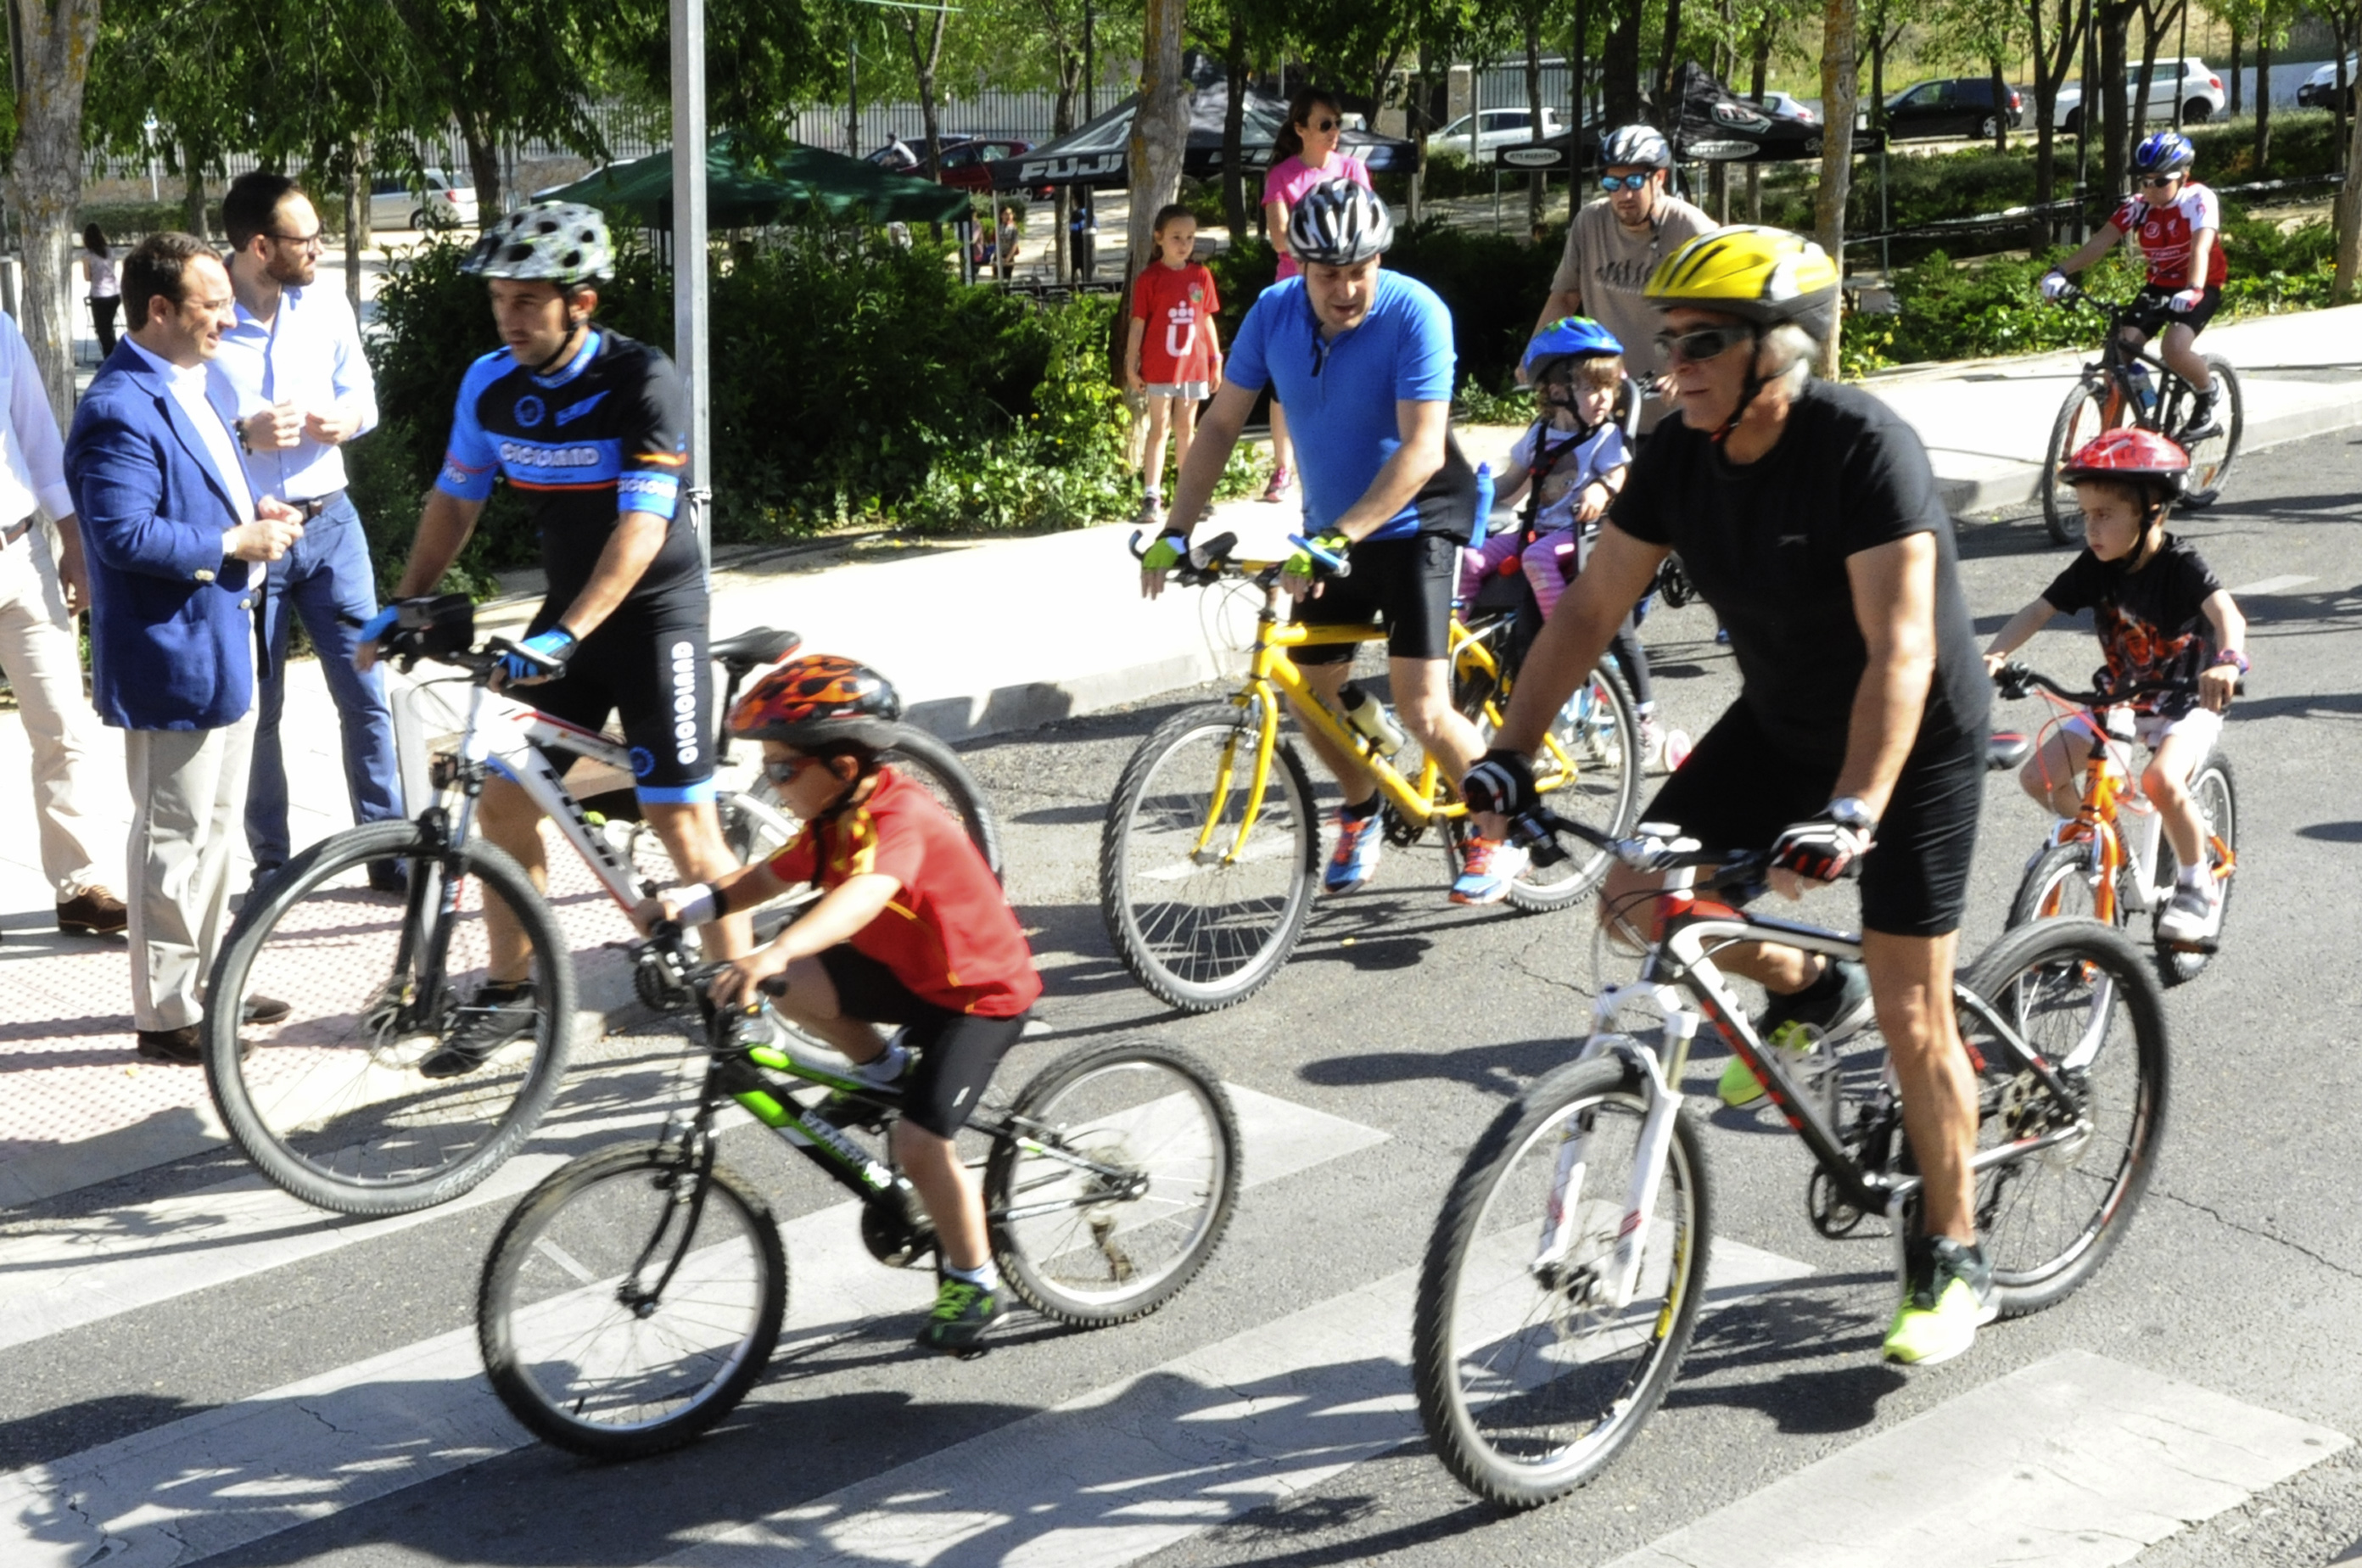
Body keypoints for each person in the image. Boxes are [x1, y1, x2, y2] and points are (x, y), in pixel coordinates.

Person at [1464, 226, 1998, 1366]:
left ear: (1780, 351)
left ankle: (1954, 1253)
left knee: (1913, 1011)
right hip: (1783, 721)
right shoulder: (1676, 456)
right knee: (1632, 895)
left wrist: (1853, 809)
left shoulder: (1862, 450)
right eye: (1669, 343)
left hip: (1909, 743)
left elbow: (1900, 655)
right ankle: (1806, 986)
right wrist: (1510, 750)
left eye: (1702, 343)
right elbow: (1587, 611)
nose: (1674, 365)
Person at [357, 202, 747, 1076]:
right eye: (501, 299)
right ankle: (515, 990)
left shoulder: (644, 381)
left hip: (653, 612)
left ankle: (741, 998)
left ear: (584, 303)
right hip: (566, 614)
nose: (510, 317)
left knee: (682, 821)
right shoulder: (489, 383)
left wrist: (567, 632)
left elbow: (643, 528)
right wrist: (405, 602)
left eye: (530, 300)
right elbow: (457, 499)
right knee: (498, 802)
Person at [635, 655, 1041, 1356]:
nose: (774, 784)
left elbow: (861, 897)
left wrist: (773, 951)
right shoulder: (831, 820)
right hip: (911, 976)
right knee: (789, 986)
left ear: (845, 768)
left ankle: (975, 1281)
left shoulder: (899, 817)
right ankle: (882, 1071)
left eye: (784, 770)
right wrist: (686, 904)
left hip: (979, 994)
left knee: (917, 1144)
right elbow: (764, 876)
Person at [1139, 181, 1505, 904]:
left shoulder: (1413, 312)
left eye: (1359, 269)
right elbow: (1216, 426)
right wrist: (1176, 529)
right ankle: (1363, 805)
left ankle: (1495, 828)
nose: (1345, 288)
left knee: (1424, 706)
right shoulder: (1274, 314)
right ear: (1299, 267)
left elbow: (1424, 449)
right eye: (1328, 273)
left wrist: (1336, 535)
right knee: (1309, 690)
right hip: (1331, 528)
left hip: (1418, 518)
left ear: (1379, 260)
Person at [64, 233, 305, 1063]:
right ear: (158, 309)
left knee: (211, 836)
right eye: (213, 304)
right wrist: (235, 540)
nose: (231, 317)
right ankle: (167, 1016)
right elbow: (122, 533)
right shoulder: (117, 407)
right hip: (173, 655)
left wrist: (257, 515)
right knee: (173, 838)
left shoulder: (189, 384)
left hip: (219, 643)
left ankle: (208, 986)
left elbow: (199, 494)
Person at [211, 171, 405, 893]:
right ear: (261, 246)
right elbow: (177, 422)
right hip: (253, 537)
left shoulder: (324, 302)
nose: (320, 249)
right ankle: (273, 870)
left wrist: (349, 419)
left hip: (333, 524)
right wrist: (243, 431)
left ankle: (388, 851)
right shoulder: (210, 309)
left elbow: (362, 391)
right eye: (306, 239)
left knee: (367, 692)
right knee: (262, 711)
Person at [1981, 428, 2245, 944]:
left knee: (2160, 784)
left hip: (2187, 698)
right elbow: (2039, 610)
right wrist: (1995, 654)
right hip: (2120, 699)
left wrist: (2229, 662)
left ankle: (2195, 885)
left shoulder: (2180, 565)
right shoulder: (2095, 567)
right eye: (2085, 514)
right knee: (2039, 777)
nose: (2091, 528)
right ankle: (2093, 850)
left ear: (2152, 512)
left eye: (2104, 515)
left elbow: (2226, 614)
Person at [1457, 316, 1665, 774]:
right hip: (1538, 535)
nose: (1605, 399)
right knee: (1471, 558)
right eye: (1593, 389)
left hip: (1580, 539)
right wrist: (1471, 495)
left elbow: (1620, 474)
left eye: (1610, 389)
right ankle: (1456, 634)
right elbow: (1512, 485)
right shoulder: (1540, 435)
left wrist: (1602, 491)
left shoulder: (1607, 437)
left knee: (1544, 569)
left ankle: (1575, 650)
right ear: (1555, 391)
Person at [0, 305, 130, 940]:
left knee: (63, 729)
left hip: (21, 552)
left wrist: (74, 543)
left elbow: (40, 442)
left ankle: (78, 888)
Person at [1529, 125, 1716, 438]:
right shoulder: (1589, 223)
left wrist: (1692, 364)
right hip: (1606, 405)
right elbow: (1565, 298)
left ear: (1660, 178)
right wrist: (1534, 355)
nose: (1623, 195)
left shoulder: (1691, 229)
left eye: (1633, 181)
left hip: (1678, 410)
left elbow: (1723, 314)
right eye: (1612, 182)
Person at [2041, 131, 2225, 439]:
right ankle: (2111, 440)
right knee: (2119, 355)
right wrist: (2059, 271)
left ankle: (2208, 392)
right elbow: (2100, 242)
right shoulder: (2138, 205)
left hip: (2200, 284)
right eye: (2144, 181)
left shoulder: (2199, 199)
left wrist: (2193, 288)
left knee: (2174, 349)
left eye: (2160, 181)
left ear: (2184, 176)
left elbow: (2200, 248)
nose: (2150, 188)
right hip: (2159, 286)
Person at [1260, 85, 1373, 506]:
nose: (1333, 132)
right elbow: (1278, 238)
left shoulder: (1353, 170)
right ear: (1300, 129)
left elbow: (1367, 229)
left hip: (1345, 289)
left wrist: (1330, 258)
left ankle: (1344, 458)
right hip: (1294, 290)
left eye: (1337, 124)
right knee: (1286, 383)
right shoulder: (1282, 176)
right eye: (1325, 124)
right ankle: (1283, 468)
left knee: (1348, 372)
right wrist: (1329, 251)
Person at [1125, 204, 1223, 529]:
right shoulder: (1149, 278)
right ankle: (1152, 494)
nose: (1184, 244)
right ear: (1159, 238)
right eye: (1176, 237)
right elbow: (1139, 323)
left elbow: (1206, 318)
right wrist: (1131, 362)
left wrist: (1216, 358)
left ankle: (1191, 493)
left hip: (1193, 366)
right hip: (1159, 367)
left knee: (1186, 429)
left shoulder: (1200, 276)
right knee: (1159, 428)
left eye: (1190, 237)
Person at [81, 226, 120, 358]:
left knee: (101, 329)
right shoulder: (110, 251)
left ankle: (110, 355)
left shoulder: (88, 255)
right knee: (109, 326)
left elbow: (87, 277)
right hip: (114, 292)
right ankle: (114, 352)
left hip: (99, 293)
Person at [995, 205, 1021, 281]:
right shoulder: (997, 227)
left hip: (1008, 257)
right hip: (998, 256)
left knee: (1007, 279)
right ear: (1001, 215)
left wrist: (1007, 259)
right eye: (1006, 214)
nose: (1008, 216)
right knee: (996, 279)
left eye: (1010, 214)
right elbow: (993, 243)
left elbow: (1014, 244)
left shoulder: (1013, 228)